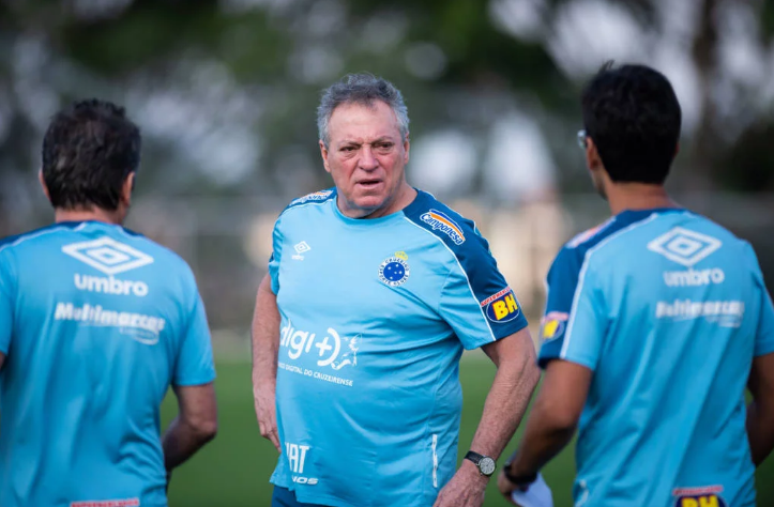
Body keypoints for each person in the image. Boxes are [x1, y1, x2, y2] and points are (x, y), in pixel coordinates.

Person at [251, 73, 540, 507]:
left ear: (405, 147)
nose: (367, 162)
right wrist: (262, 378)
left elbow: (520, 361)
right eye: (350, 148)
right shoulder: (296, 221)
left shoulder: (450, 243)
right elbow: (271, 292)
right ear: (326, 155)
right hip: (298, 486)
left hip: (404, 496)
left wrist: (476, 469)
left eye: (382, 146)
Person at [497, 63, 774, 507]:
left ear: (592, 152)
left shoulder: (586, 259)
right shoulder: (737, 255)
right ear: (675, 148)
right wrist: (727, 474)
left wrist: (518, 471)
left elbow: (558, 411)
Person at [0, 99, 218, 507]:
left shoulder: (10, 265)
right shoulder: (173, 274)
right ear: (128, 185)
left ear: (45, 182)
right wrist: (155, 465)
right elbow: (201, 421)